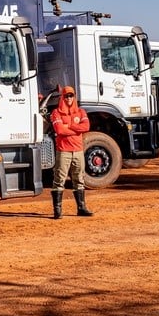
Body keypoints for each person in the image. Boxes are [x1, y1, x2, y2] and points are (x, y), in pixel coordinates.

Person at [50, 86, 93, 219]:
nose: (69, 98)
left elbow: (86, 127)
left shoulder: (81, 112)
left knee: (79, 179)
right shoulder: (56, 113)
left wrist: (69, 126)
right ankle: (57, 210)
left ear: (74, 97)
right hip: (64, 151)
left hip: (78, 151)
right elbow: (59, 130)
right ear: (62, 97)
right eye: (66, 96)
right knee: (59, 180)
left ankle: (81, 207)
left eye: (71, 95)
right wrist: (76, 129)